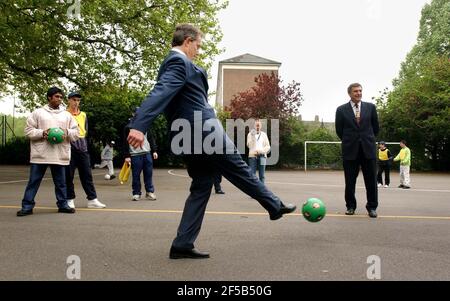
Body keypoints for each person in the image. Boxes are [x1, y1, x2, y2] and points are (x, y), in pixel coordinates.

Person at [127, 24, 296, 259]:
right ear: (187, 41)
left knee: (202, 185)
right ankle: (274, 206)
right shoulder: (178, 62)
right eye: (198, 45)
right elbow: (161, 92)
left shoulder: (183, 66)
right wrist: (139, 125)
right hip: (202, 131)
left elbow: (173, 94)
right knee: (237, 166)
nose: (198, 50)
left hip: (189, 134)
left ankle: (182, 244)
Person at [17, 87, 79, 216]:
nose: (60, 99)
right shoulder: (38, 113)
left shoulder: (66, 115)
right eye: (57, 96)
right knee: (33, 182)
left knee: (61, 183)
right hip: (40, 154)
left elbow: (76, 132)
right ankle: (27, 206)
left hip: (59, 154)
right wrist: (42, 133)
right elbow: (28, 131)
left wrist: (66, 132)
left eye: (61, 97)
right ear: (49, 97)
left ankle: (63, 205)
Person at [335, 83, 379, 218]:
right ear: (350, 93)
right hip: (350, 150)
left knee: (371, 181)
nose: (358, 93)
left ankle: (372, 207)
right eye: (355, 91)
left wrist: (367, 140)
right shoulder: (341, 110)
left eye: (360, 91)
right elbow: (339, 130)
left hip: (368, 150)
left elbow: (375, 128)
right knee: (350, 181)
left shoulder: (371, 107)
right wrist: (351, 140)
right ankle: (350, 206)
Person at [65, 92, 106, 209]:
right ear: (69, 100)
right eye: (74, 100)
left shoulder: (83, 114)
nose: (76, 102)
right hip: (69, 145)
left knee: (87, 175)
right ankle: (69, 199)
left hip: (82, 146)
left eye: (78, 100)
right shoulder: (64, 114)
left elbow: (85, 131)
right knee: (69, 175)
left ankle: (92, 199)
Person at [123, 109, 158, 201]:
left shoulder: (146, 124)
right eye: (137, 113)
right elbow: (125, 142)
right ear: (133, 114)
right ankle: (136, 193)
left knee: (148, 174)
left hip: (147, 153)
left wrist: (154, 150)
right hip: (135, 155)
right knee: (136, 175)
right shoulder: (128, 127)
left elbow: (151, 138)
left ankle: (149, 192)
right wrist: (127, 156)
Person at [247, 119, 271, 183]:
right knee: (252, 175)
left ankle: (262, 191)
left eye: (259, 125)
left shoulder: (264, 134)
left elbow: (268, 146)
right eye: (256, 125)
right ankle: (253, 190)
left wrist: (261, 151)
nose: (257, 126)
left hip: (262, 156)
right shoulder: (250, 134)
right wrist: (253, 136)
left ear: (261, 126)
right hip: (252, 156)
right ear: (254, 126)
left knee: (262, 175)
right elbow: (249, 145)